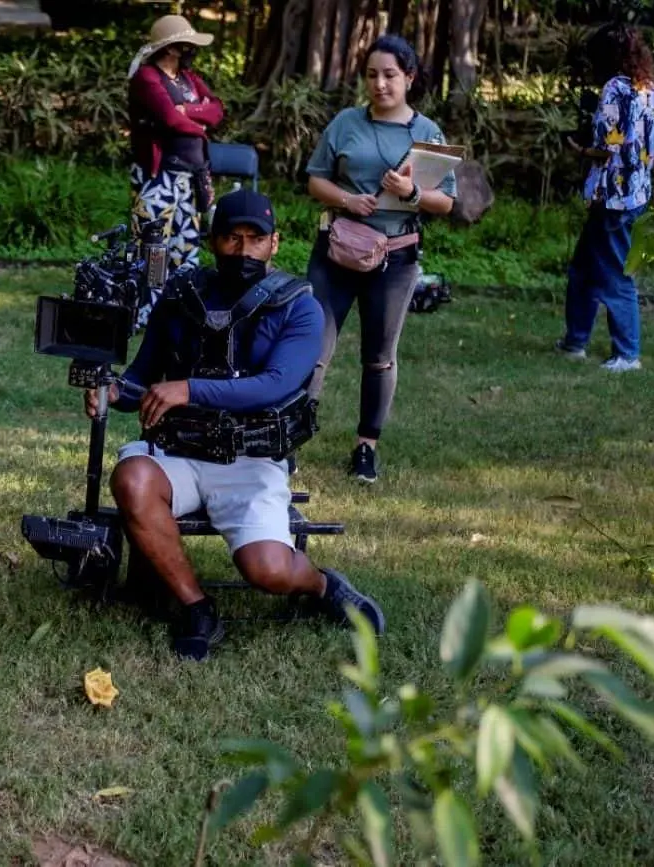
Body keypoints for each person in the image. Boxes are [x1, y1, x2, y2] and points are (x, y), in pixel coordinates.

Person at [88, 188, 386, 661]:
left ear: (275, 243)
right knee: (132, 477)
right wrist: (111, 391)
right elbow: (142, 380)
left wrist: (188, 388)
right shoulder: (181, 297)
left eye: (254, 238)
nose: (243, 249)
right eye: (231, 237)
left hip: (253, 461)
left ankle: (321, 584)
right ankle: (197, 607)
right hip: (177, 452)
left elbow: (276, 384)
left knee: (268, 572)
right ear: (213, 241)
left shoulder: (301, 308)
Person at [304, 35, 457, 484]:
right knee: (313, 348)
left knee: (380, 356)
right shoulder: (346, 122)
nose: (380, 84)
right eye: (372, 75)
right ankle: (289, 438)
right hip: (336, 251)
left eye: (390, 75)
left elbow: (446, 202)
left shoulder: (427, 134)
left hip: (396, 258)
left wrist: (412, 192)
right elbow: (315, 181)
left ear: (409, 77)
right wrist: (349, 201)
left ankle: (365, 448)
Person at [556, 23, 654, 372]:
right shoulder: (649, 88)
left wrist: (579, 149)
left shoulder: (615, 88)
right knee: (584, 268)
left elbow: (606, 146)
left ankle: (628, 355)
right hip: (635, 192)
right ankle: (575, 341)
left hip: (613, 197)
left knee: (615, 275)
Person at [127, 14, 224, 321]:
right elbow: (169, 119)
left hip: (191, 178)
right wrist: (199, 127)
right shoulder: (147, 77)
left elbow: (218, 109)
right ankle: (145, 313)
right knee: (153, 248)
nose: (191, 49)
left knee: (186, 248)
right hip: (160, 178)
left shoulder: (189, 78)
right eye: (186, 44)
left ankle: (181, 310)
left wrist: (190, 111)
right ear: (171, 48)